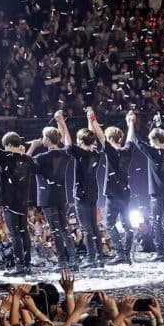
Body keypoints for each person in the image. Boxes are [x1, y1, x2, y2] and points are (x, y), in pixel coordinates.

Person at [0, 127, 42, 276]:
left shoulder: (6, 156)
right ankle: (27, 264)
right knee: (23, 232)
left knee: (15, 234)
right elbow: (25, 163)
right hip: (22, 202)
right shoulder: (26, 159)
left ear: (8, 145)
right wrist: (32, 147)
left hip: (9, 201)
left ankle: (19, 267)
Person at [56, 109, 105, 268]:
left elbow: (68, 143)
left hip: (82, 194)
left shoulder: (81, 153)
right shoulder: (96, 153)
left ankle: (91, 258)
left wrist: (63, 123)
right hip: (93, 193)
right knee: (94, 226)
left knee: (86, 228)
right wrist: (90, 118)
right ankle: (99, 257)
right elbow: (91, 136)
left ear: (81, 141)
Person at [86, 107, 134, 265]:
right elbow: (130, 138)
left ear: (110, 138)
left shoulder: (111, 151)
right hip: (125, 193)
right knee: (127, 225)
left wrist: (92, 119)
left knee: (110, 223)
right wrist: (130, 123)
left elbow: (100, 136)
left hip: (113, 194)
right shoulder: (127, 150)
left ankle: (120, 254)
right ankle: (127, 254)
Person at [126, 111, 164, 261]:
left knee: (157, 222)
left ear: (154, 140)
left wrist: (131, 123)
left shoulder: (154, 153)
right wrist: (157, 125)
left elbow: (136, 140)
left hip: (157, 193)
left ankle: (160, 252)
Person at [33, 114, 77, 270]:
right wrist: (62, 123)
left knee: (56, 230)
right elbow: (68, 143)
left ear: (47, 140)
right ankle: (73, 260)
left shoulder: (40, 157)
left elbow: (25, 164)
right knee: (65, 229)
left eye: (43, 137)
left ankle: (62, 261)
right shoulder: (65, 154)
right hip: (61, 196)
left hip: (47, 198)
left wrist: (33, 147)